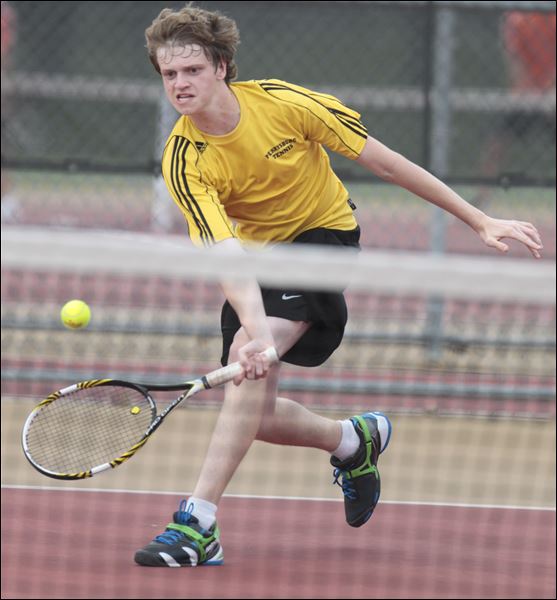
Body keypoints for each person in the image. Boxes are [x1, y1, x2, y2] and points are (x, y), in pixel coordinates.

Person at [134, 4, 544, 568]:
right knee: (253, 410)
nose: (180, 83)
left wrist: (478, 219)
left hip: (321, 241)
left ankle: (196, 523)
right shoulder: (184, 159)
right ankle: (352, 441)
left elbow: (388, 164)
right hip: (256, 258)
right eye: (169, 74)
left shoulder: (284, 104)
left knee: (245, 357)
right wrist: (257, 330)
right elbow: (226, 256)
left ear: (221, 67)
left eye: (192, 70)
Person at [476, 10, 556, 206]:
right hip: (523, 95)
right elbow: (514, 60)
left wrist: (548, 90)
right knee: (496, 144)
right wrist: (530, 91)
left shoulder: (552, 18)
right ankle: (482, 197)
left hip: (552, 94)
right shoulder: (517, 19)